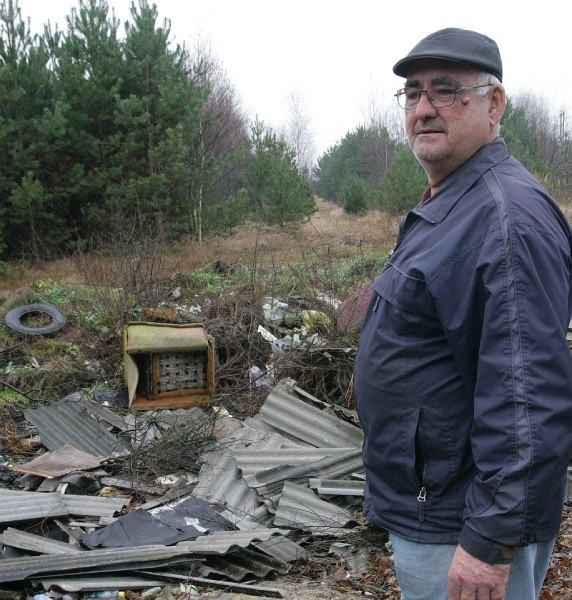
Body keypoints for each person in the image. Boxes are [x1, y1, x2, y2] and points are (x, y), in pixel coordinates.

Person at [353, 27, 572, 600]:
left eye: (446, 91)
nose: (423, 108)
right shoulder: (455, 201)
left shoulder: (503, 220)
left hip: (460, 522)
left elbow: (527, 398)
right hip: (440, 505)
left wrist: (489, 544)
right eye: (412, 94)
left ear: (493, 103)